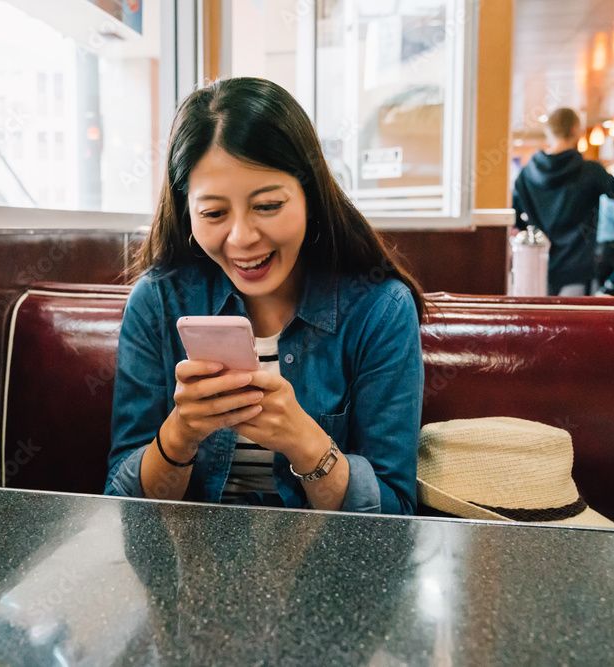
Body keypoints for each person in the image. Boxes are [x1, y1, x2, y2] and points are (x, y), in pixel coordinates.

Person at [105, 77, 425, 515]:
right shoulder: (158, 302)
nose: (242, 238)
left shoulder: (379, 311)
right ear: (188, 212)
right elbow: (120, 504)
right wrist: (180, 433)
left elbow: (397, 516)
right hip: (189, 572)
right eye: (214, 213)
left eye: (268, 205)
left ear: (309, 194)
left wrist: (305, 442)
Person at [512, 108, 614, 295]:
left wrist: (536, 233)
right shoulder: (590, 171)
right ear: (576, 130)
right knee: (577, 324)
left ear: (549, 132)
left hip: (537, 270)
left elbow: (514, 218)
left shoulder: (526, 175)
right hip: (578, 272)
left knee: (540, 324)